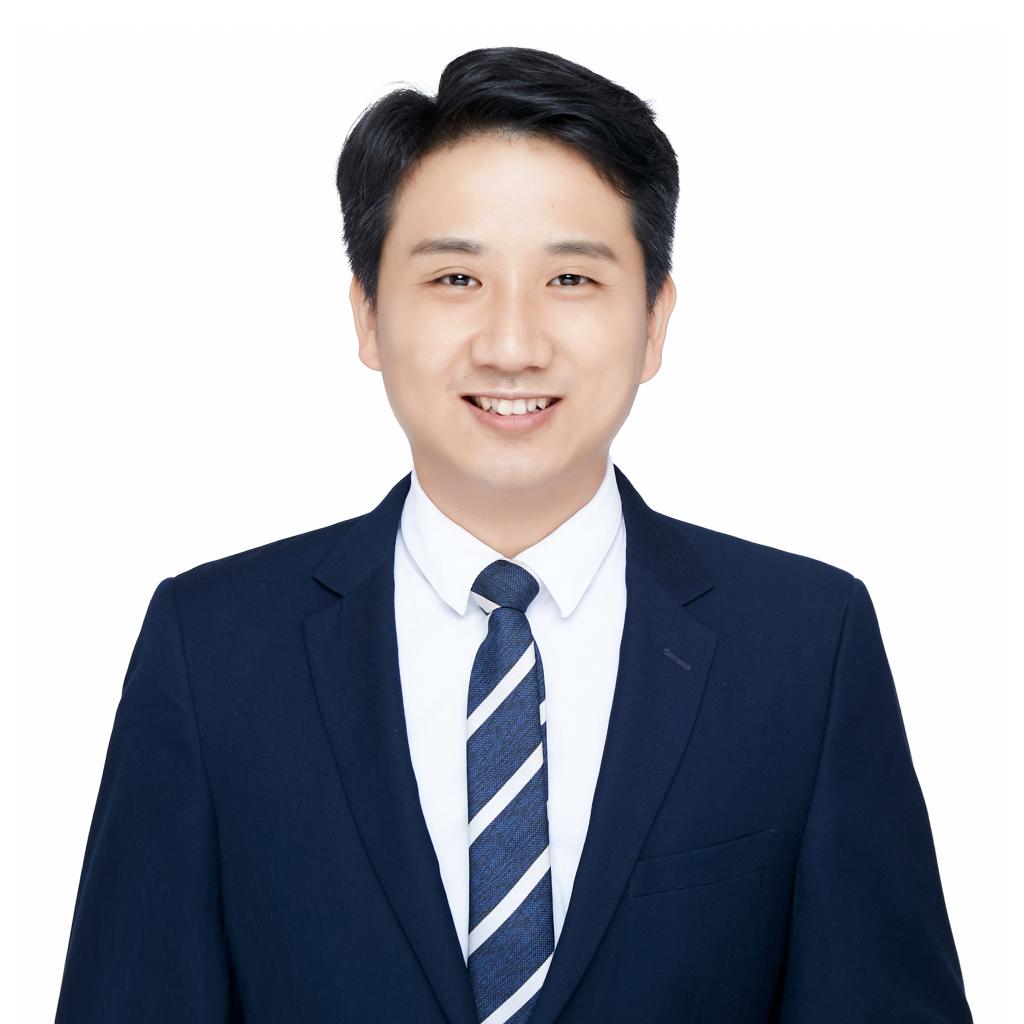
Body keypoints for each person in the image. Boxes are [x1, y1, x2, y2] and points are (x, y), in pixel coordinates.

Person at [54, 45, 973, 1023]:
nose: (511, 344)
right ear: (367, 314)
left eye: (570, 279)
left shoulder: (804, 643)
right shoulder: (212, 647)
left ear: (655, 319)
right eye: (457, 277)